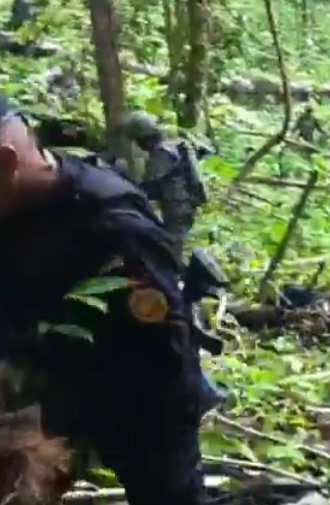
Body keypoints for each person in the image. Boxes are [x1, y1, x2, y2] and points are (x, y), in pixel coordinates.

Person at [0, 95, 212, 504]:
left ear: (6, 163)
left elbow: (160, 357)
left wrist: (50, 418)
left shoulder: (113, 228)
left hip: (138, 403)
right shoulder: (12, 203)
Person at [123, 112, 206, 265]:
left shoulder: (161, 153)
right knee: (173, 243)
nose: (138, 145)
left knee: (173, 247)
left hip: (178, 206)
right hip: (182, 203)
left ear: (144, 138)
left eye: (138, 140)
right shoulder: (174, 146)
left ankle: (173, 276)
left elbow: (150, 185)